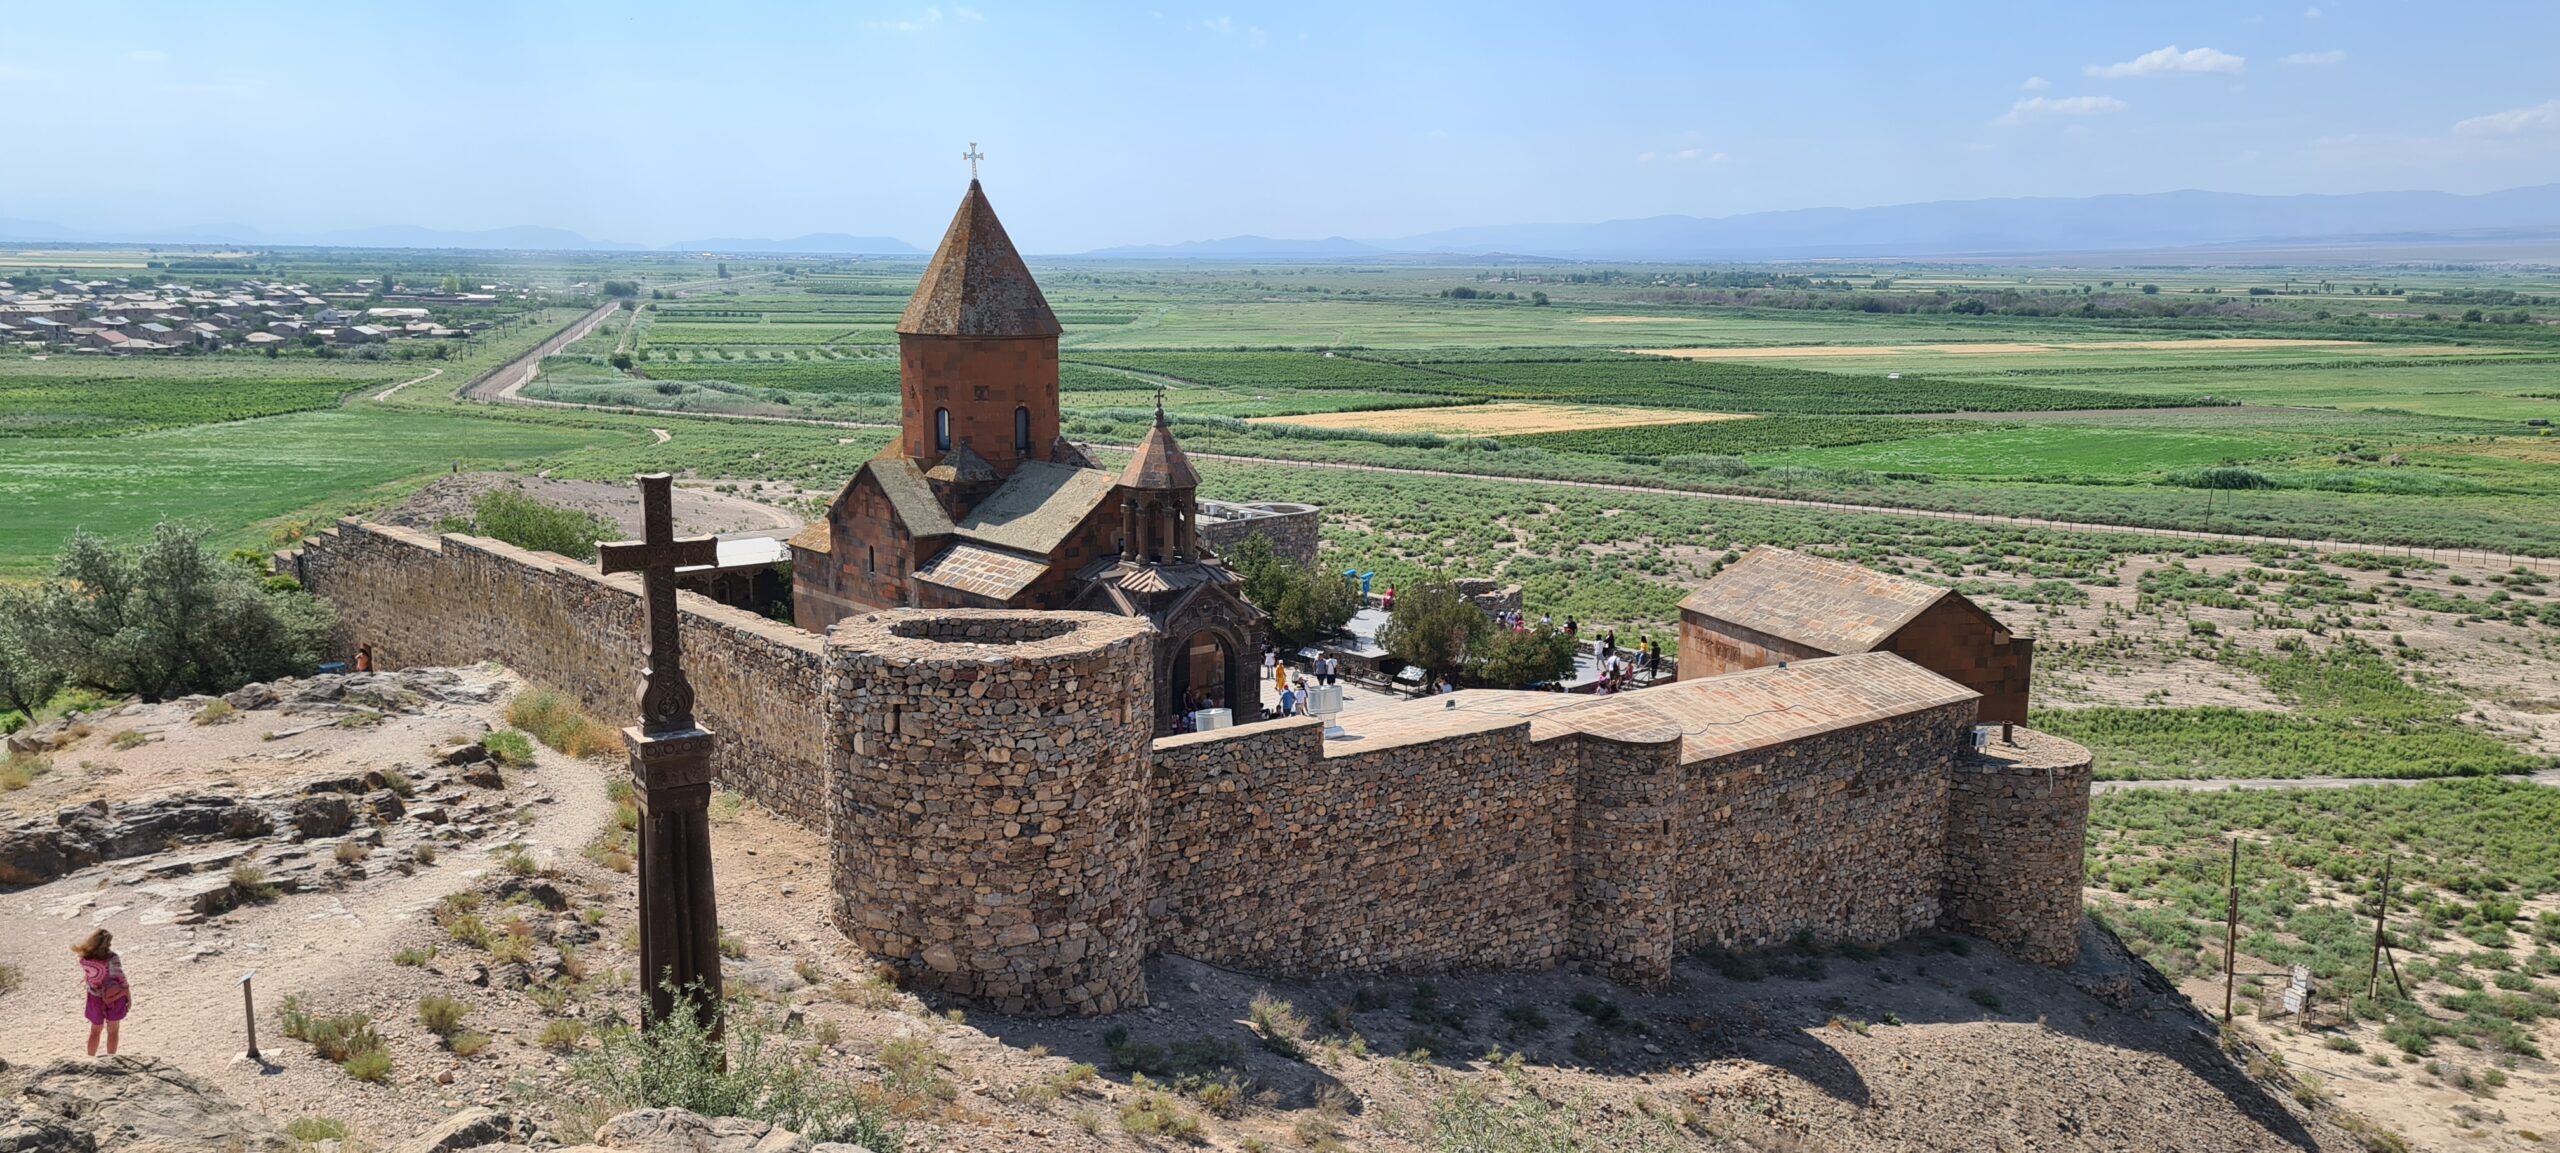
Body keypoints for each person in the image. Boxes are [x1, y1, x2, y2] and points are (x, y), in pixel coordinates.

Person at [74, 929, 128, 1057]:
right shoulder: (112, 958)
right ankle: (111, 1058)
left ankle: (90, 1057)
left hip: (94, 996)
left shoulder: (84, 958)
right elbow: (120, 977)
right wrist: (127, 993)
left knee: (95, 1030)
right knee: (113, 1030)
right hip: (114, 997)